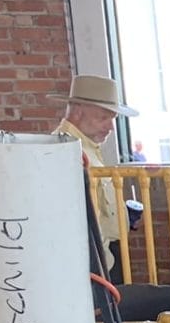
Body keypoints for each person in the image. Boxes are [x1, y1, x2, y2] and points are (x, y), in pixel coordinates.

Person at [56, 73, 137, 271]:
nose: (110, 127)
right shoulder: (63, 151)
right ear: (77, 113)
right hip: (89, 266)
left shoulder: (86, 148)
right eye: (102, 118)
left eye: (112, 119)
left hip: (102, 259)